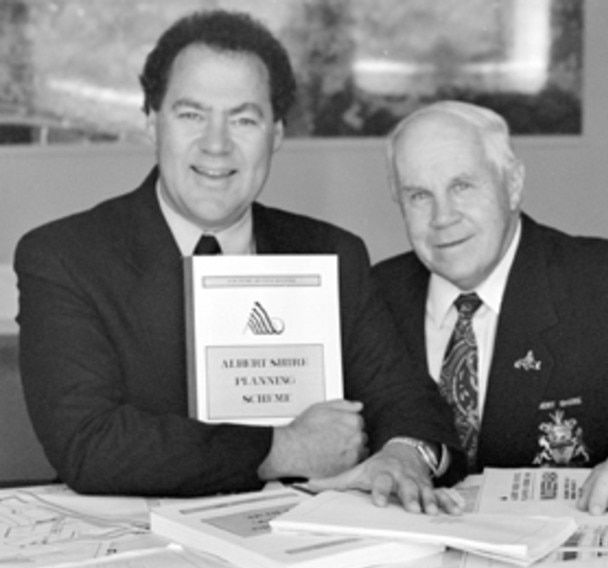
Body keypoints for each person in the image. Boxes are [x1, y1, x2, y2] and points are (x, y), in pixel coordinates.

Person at [15, 10, 463, 513]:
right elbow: (89, 443)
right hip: (136, 561)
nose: (216, 143)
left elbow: (407, 402)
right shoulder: (64, 258)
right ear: (150, 123)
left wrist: (403, 456)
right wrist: (283, 448)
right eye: (191, 114)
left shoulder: (333, 253)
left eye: (244, 119)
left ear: (275, 135)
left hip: (302, 550)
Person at [373, 99, 608, 515]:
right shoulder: (372, 295)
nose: (442, 217)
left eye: (462, 186)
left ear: (513, 183)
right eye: (418, 196)